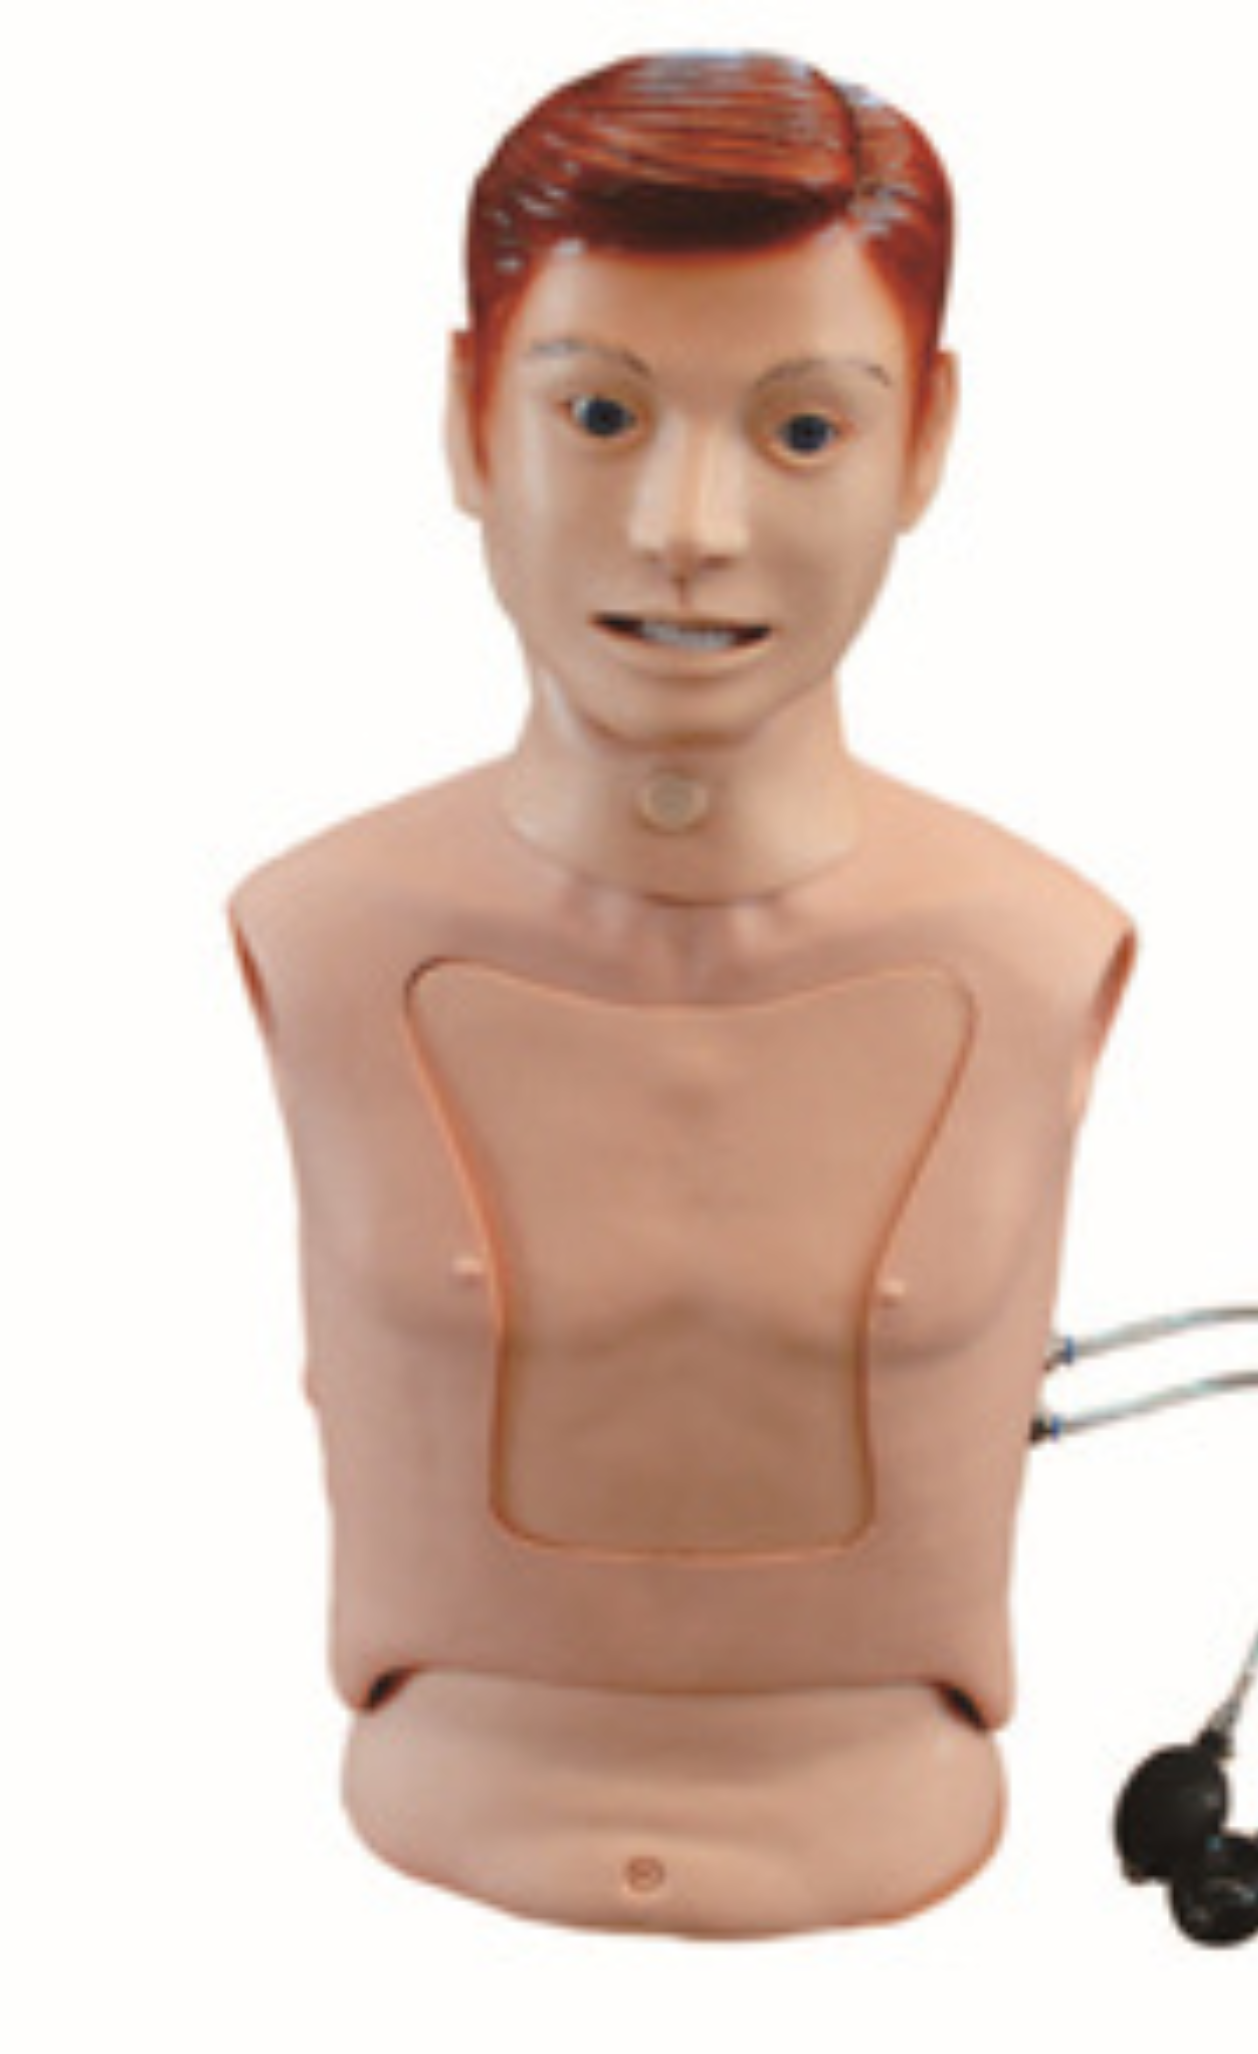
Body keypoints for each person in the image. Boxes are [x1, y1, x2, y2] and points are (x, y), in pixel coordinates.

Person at [229, 49, 1136, 1938]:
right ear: (470, 422)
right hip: (403, 1882)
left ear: (925, 442)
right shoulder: (320, 931)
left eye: (803, 430)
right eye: (600, 413)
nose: (688, 524)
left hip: (913, 1857)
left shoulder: (1036, 950)